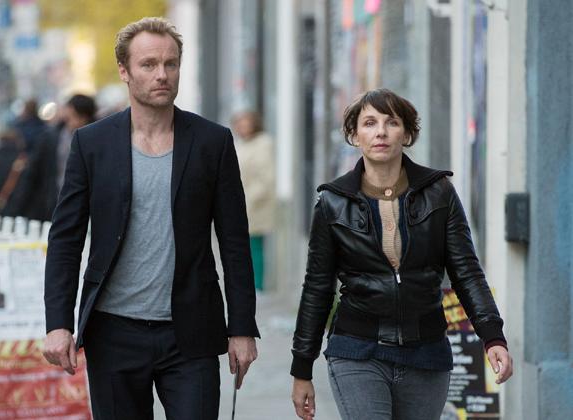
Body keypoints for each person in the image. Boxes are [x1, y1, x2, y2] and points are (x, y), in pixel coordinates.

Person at [42, 17, 259, 420]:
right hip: (113, 333)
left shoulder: (212, 142)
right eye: (149, 64)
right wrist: (58, 324)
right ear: (124, 71)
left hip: (191, 331)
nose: (162, 74)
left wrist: (242, 327)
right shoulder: (91, 143)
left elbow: (234, 241)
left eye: (170, 64)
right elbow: (66, 239)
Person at [290, 89, 513, 420]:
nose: (380, 132)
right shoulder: (333, 203)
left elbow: (467, 271)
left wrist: (493, 337)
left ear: (407, 134)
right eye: (369, 123)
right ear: (355, 135)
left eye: (391, 122)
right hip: (357, 350)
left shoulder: (439, 193)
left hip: (426, 352)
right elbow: (317, 288)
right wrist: (302, 368)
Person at [231, 110, 276, 291]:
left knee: (254, 246)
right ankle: (248, 283)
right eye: (239, 124)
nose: (242, 128)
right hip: (241, 202)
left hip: (255, 204)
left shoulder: (263, 143)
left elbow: (266, 177)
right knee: (244, 246)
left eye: (246, 123)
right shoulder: (241, 144)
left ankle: (258, 286)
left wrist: (249, 200)